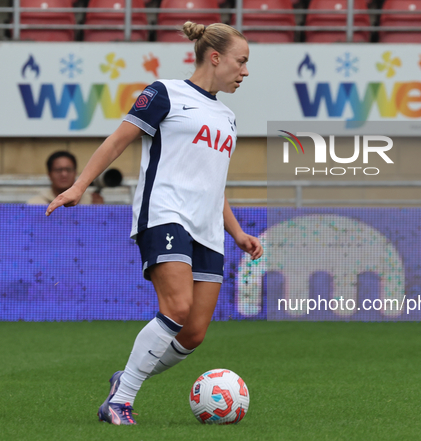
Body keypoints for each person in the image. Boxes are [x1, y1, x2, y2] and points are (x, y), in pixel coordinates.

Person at [45, 21, 262, 426]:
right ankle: (120, 401)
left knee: (193, 333)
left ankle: (124, 379)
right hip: (165, 214)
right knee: (176, 307)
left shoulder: (228, 117)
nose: (245, 71)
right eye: (242, 61)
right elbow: (116, 141)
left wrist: (237, 233)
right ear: (215, 57)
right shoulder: (164, 93)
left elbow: (213, 183)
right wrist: (79, 186)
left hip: (209, 229)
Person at [27, 151, 104, 205]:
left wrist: (98, 210)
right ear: (49, 174)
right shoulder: (35, 203)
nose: (64, 174)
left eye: (68, 169)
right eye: (58, 170)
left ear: (75, 173)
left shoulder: (91, 201)